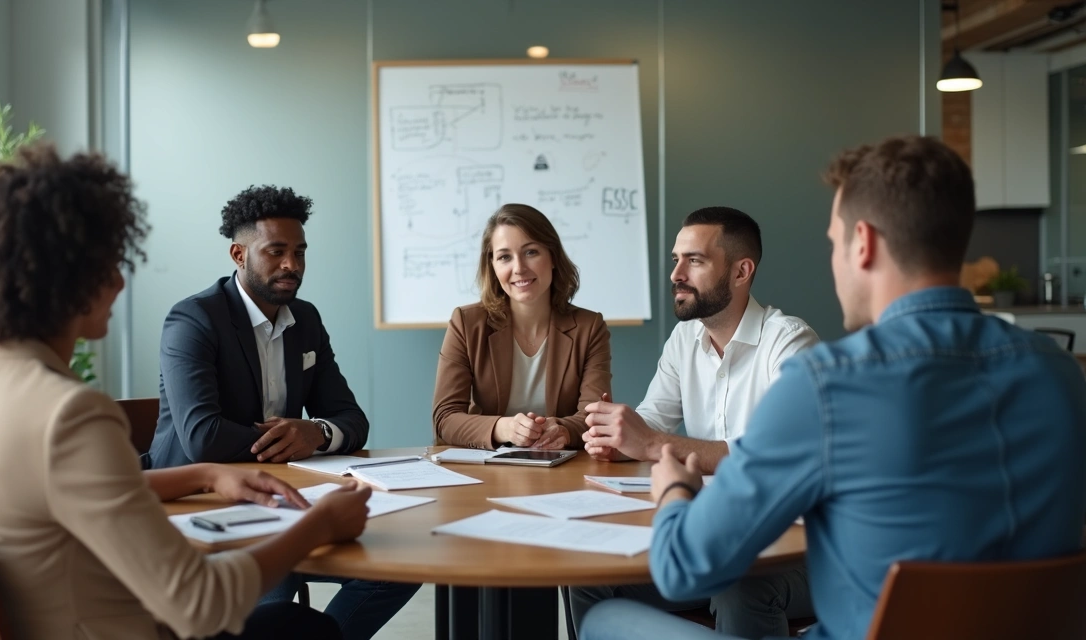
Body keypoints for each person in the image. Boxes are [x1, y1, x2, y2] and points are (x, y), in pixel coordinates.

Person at [581, 135, 1086, 640]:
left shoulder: (826, 383)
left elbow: (683, 567)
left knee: (603, 618)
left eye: (834, 242)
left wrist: (675, 488)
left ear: (862, 243)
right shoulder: (1059, 373)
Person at [0, 144, 371, 640]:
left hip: (58, 612)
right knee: (303, 628)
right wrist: (319, 524)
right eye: (107, 266)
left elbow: (51, 492)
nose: (120, 282)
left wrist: (204, 474)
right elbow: (201, 604)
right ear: (60, 279)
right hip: (120, 625)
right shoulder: (71, 414)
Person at [146, 185, 419, 640]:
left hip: (283, 502)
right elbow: (202, 438)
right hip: (199, 508)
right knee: (277, 588)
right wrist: (283, 439)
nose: (291, 265)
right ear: (239, 253)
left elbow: (352, 420)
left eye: (299, 252)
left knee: (399, 565)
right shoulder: (194, 320)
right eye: (275, 251)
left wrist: (315, 432)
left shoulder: (305, 320)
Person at [570, 207, 819, 638]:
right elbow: (652, 421)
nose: (676, 274)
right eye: (675, 260)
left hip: (797, 551)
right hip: (713, 536)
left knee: (738, 586)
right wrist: (618, 438)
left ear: (742, 272)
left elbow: (771, 461)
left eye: (695, 260)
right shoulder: (685, 339)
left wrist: (649, 444)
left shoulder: (791, 344)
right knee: (591, 574)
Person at [433, 203, 612, 450]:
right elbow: (445, 418)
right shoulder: (466, 323)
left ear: (553, 257)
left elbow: (593, 416)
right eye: (505, 257)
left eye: (531, 252)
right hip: (487, 469)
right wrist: (504, 428)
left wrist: (562, 430)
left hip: (561, 466)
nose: (518, 268)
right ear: (493, 266)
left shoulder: (589, 327)